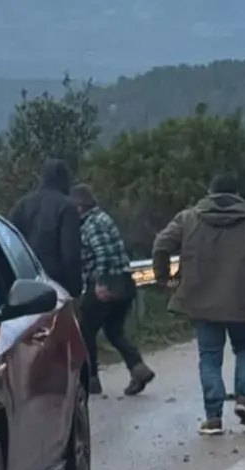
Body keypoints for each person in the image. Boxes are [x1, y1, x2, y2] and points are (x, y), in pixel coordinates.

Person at [152, 172, 245, 434]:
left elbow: (161, 245)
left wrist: (165, 280)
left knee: (209, 356)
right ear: (237, 195)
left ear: (210, 193)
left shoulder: (188, 218)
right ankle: (244, 398)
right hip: (244, 300)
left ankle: (213, 417)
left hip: (201, 301)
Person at [71, 185, 154, 396]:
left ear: (80, 206)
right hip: (124, 282)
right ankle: (138, 368)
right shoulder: (103, 218)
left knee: (85, 328)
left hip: (108, 283)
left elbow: (103, 254)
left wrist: (101, 282)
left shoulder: (92, 224)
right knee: (113, 330)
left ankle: (91, 378)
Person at [9, 159, 85, 300]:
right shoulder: (67, 207)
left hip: (24, 286)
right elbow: (70, 254)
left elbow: (11, 246)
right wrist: (75, 288)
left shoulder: (21, 206)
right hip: (57, 287)